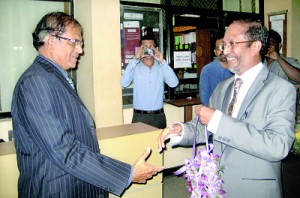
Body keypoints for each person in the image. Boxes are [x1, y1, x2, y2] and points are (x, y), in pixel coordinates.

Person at [11, 12, 163, 198]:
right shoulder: (35, 82)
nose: (80, 50)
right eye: (74, 41)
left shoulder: (52, 77)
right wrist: (127, 174)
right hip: (56, 190)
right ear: (51, 41)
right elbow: (63, 149)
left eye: (81, 43)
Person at [158, 19, 296, 198]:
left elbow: (278, 146)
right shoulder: (223, 87)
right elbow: (205, 126)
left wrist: (219, 121)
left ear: (255, 47)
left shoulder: (281, 89)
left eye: (232, 44)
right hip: (218, 188)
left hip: (253, 191)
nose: (225, 51)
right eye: (224, 45)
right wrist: (181, 130)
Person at [121, 34, 179, 129]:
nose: (148, 50)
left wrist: (162, 61)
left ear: (155, 48)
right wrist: (135, 59)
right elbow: (124, 83)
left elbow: (174, 83)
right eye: (145, 47)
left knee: (159, 144)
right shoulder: (135, 67)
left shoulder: (161, 67)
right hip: (140, 116)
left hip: (159, 116)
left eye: (151, 47)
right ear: (140, 49)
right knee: (139, 144)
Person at [199, 35, 233, 105]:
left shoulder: (237, 69)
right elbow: (205, 100)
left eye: (224, 47)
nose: (222, 51)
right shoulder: (207, 71)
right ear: (215, 52)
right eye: (219, 48)